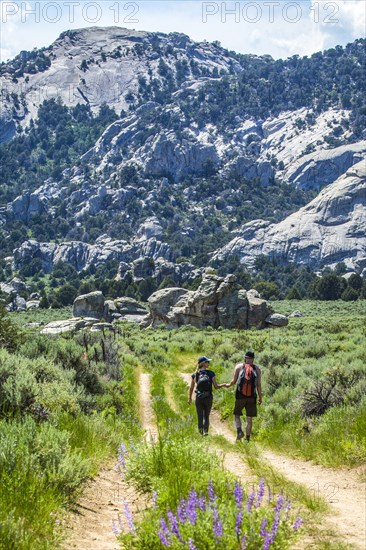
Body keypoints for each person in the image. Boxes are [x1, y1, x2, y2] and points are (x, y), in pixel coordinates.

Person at [225, 351, 262, 442]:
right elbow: (258, 385)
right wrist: (260, 397)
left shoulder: (239, 367)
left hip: (240, 396)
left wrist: (227, 385)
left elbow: (233, 381)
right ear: (253, 359)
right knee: (249, 419)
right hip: (252, 397)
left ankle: (239, 431)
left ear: (245, 358)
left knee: (237, 415)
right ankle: (247, 439)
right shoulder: (257, 369)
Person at [188, 356, 224, 435]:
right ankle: (206, 432)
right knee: (206, 416)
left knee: (200, 417)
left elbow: (191, 388)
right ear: (204, 363)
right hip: (208, 397)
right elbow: (216, 386)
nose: (208, 363)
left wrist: (190, 398)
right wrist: (224, 385)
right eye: (207, 362)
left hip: (199, 397)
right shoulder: (211, 373)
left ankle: (200, 433)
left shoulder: (195, 374)